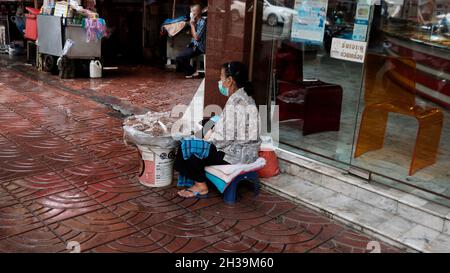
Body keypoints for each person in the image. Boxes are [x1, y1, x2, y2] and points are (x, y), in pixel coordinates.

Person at [174, 62, 262, 198]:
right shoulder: (243, 96)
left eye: (221, 77)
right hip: (239, 148)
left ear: (230, 80)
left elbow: (222, 141)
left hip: (236, 154)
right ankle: (199, 179)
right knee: (198, 135)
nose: (219, 81)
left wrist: (207, 137)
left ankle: (201, 186)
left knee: (187, 146)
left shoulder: (237, 102)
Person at [176, 4, 207, 79]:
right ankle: (192, 72)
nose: (191, 13)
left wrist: (192, 25)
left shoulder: (203, 22)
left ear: (197, 12)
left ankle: (193, 72)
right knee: (179, 57)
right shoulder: (194, 20)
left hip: (199, 47)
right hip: (193, 45)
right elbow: (192, 35)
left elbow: (197, 38)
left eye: (193, 11)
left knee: (180, 57)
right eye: (191, 11)